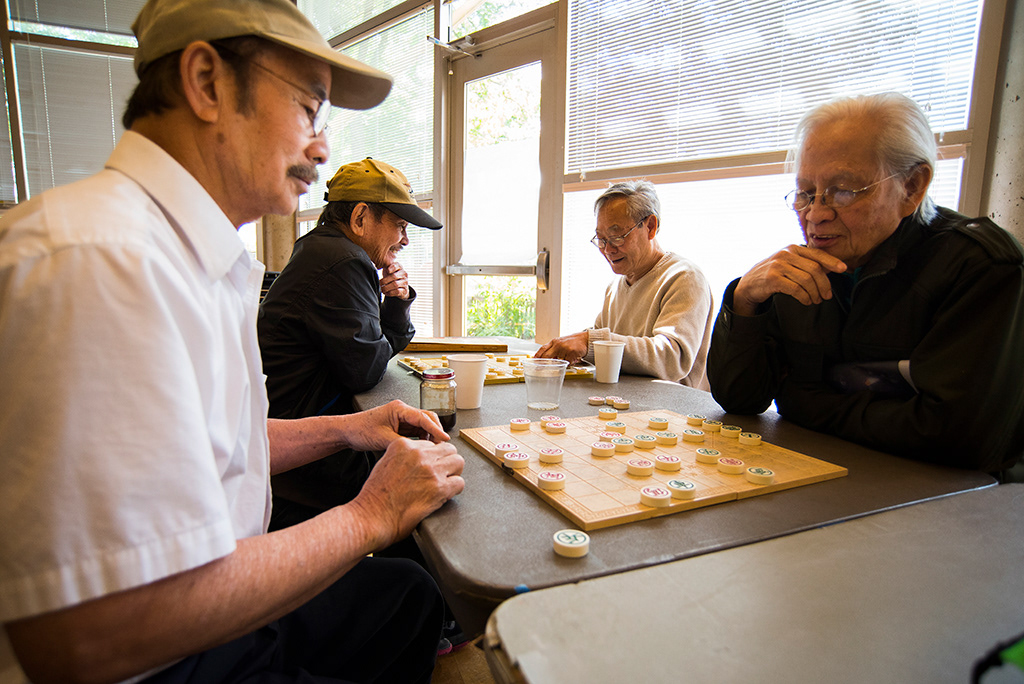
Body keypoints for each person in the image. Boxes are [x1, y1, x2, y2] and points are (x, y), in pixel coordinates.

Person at [0, 1, 465, 682]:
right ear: (207, 82)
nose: (322, 147)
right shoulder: (98, 259)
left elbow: (213, 447)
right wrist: (372, 515)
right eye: (309, 107)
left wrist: (349, 428)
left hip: (215, 599)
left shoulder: (198, 259)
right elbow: (89, 635)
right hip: (164, 660)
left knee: (406, 597)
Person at [707, 92, 1024, 475]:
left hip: (952, 505)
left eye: (844, 191)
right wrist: (744, 302)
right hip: (827, 479)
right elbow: (740, 399)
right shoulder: (803, 266)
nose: (816, 215)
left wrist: (801, 400)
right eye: (806, 193)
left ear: (912, 187)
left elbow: (956, 437)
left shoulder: (980, 266)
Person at [259, 157, 440, 421]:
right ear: (360, 218)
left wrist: (397, 303)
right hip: (302, 436)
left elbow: (371, 352)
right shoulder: (344, 262)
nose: (405, 240)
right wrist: (390, 318)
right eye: (400, 226)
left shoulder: (321, 247)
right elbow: (366, 372)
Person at [535, 180, 714, 388]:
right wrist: (572, 347)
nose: (608, 249)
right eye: (601, 239)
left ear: (650, 227)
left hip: (670, 412)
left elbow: (671, 358)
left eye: (617, 237)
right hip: (623, 406)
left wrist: (588, 341)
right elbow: (601, 342)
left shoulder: (684, 277)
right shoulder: (616, 286)